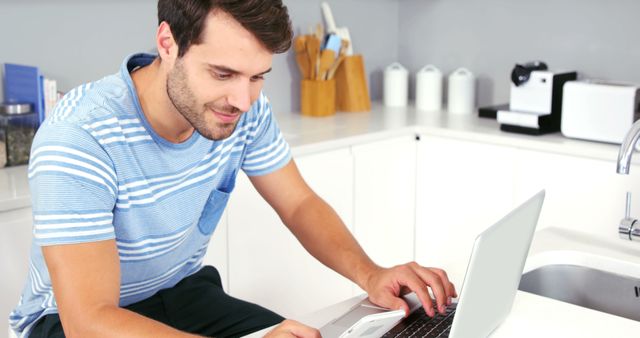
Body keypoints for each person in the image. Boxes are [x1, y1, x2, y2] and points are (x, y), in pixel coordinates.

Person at [9, 1, 457, 337]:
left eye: (257, 76)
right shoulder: (80, 137)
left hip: (183, 292)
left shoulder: (239, 110)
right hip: (69, 324)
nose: (243, 100)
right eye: (223, 74)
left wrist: (371, 273)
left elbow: (299, 203)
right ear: (167, 44)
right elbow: (88, 319)